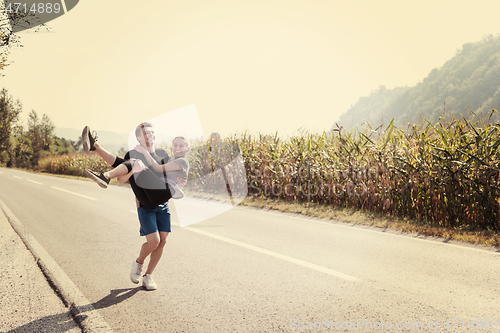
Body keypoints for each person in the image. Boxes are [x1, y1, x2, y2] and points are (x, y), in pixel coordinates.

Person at [82, 123, 184, 290]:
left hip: (162, 203)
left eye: (152, 132)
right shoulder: (134, 154)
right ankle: (139, 263)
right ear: (138, 138)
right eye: (146, 133)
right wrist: (134, 170)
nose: (151, 135)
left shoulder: (162, 153)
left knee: (162, 241)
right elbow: (122, 178)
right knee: (153, 242)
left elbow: (169, 173)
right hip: (145, 203)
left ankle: (148, 276)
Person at [84, 136, 190, 201]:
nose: (177, 148)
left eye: (181, 146)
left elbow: (157, 168)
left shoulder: (182, 161)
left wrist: (144, 152)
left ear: (187, 148)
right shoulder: (170, 159)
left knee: (135, 163)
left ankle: (106, 176)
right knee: (130, 164)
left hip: (163, 190)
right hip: (156, 189)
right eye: (175, 145)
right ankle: (96, 146)